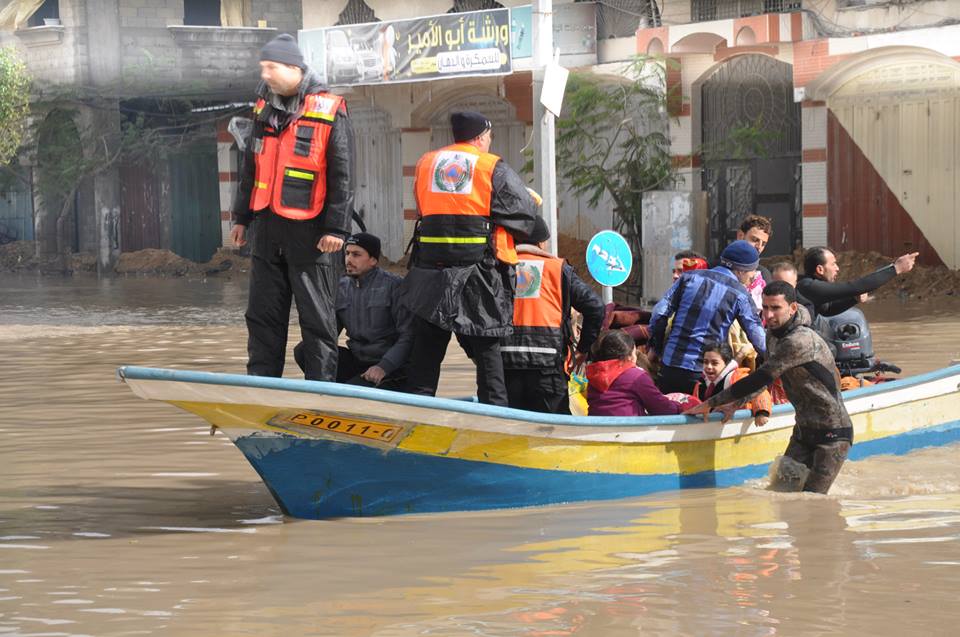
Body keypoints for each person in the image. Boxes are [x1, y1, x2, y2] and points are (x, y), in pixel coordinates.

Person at [231, 34, 354, 381]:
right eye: (263, 67)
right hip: (267, 226)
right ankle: (262, 384)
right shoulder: (262, 107)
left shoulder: (330, 108)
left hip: (312, 231)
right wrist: (241, 218)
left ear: (293, 68)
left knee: (317, 318)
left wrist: (337, 229)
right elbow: (250, 168)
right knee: (262, 315)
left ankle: (321, 390)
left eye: (271, 67)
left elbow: (343, 174)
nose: (265, 74)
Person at [401, 111, 537, 406]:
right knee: (488, 355)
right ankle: (495, 419)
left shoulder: (426, 163)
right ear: (480, 136)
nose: (489, 142)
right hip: (480, 274)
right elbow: (525, 214)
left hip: (430, 274)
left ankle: (419, 417)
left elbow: (425, 208)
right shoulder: (491, 166)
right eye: (489, 137)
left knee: (426, 355)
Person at [685, 281, 855, 494]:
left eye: (776, 308)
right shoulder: (773, 335)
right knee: (781, 495)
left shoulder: (799, 340)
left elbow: (759, 377)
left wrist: (711, 403)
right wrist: (734, 404)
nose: (768, 315)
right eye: (765, 307)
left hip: (832, 435)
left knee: (813, 502)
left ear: (792, 308)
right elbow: (769, 377)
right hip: (803, 432)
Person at [501, 216, 605, 414]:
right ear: (542, 243)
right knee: (551, 433)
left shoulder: (497, 267)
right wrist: (583, 348)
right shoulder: (557, 269)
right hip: (548, 368)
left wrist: (479, 355)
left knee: (509, 432)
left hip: (504, 368)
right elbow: (596, 307)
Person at [648, 240, 767, 395]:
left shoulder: (689, 278)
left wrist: (657, 347)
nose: (753, 276)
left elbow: (659, 312)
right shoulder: (741, 295)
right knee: (701, 416)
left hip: (670, 366)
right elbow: (759, 339)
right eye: (752, 271)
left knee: (667, 414)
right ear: (741, 271)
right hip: (706, 373)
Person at [330, 232, 412, 390]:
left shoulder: (394, 286)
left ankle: (349, 391)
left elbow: (408, 336)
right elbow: (329, 333)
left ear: (373, 260)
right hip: (357, 361)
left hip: (389, 368)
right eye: (347, 253)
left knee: (351, 390)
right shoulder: (341, 287)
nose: (348, 259)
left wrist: (384, 367)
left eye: (356, 255)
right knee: (305, 351)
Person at [586, 330, 694, 417]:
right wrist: (680, 406)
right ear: (629, 356)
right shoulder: (636, 376)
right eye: (634, 352)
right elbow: (661, 408)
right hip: (627, 431)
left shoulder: (594, 373)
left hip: (597, 428)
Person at [796, 246, 918, 319]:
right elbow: (855, 287)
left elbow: (827, 310)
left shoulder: (811, 287)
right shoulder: (808, 286)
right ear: (820, 269)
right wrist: (896, 268)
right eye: (833, 264)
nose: (837, 268)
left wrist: (853, 299)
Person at [694, 341, 772, 427]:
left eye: (714, 363)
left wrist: (761, 412)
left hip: (738, 425)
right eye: (705, 362)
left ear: (726, 364)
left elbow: (759, 391)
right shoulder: (700, 384)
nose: (708, 367)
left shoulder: (737, 377)